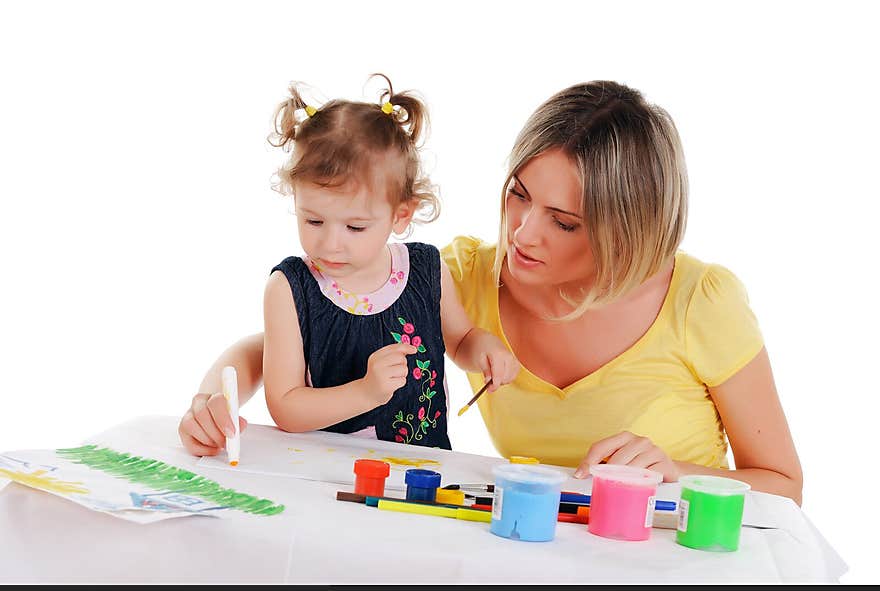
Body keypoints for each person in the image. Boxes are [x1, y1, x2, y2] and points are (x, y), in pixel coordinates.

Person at [180, 80, 803, 505]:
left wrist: (674, 474)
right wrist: (213, 397)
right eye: (518, 194)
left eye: (564, 221)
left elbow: (782, 484)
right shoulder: (465, 278)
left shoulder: (700, 301)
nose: (523, 234)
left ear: (628, 229)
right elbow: (289, 339)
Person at [178, 74, 519, 457]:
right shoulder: (291, 288)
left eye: (355, 227)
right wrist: (365, 391)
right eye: (313, 221)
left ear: (400, 215)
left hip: (423, 471)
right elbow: (286, 405)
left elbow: (460, 339)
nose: (329, 243)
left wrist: (486, 349)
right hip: (327, 475)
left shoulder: (426, 269)